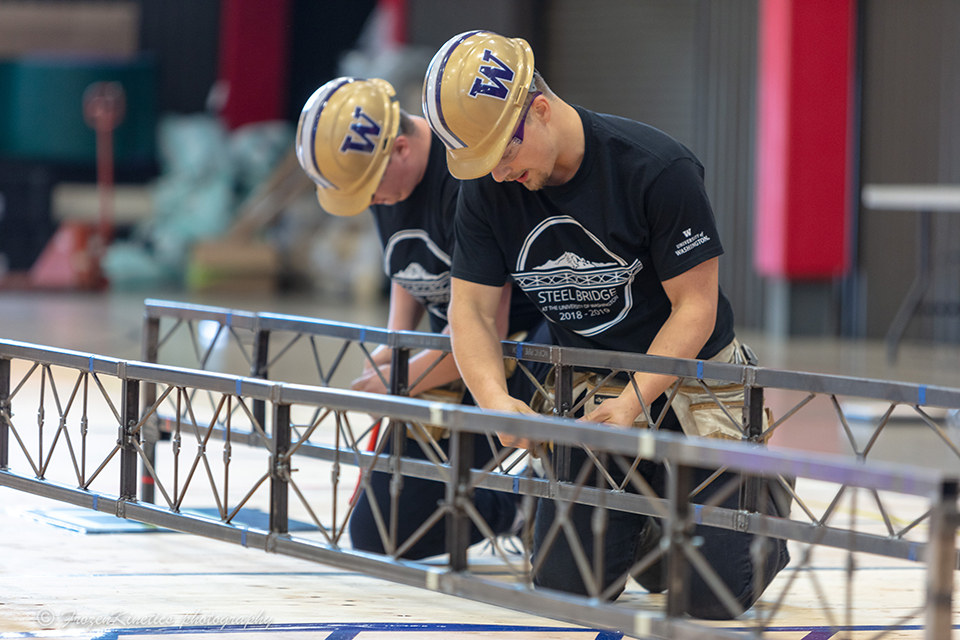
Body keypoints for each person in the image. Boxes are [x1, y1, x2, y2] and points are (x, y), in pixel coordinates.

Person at [421, 31, 790, 618]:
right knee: (567, 594)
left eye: (503, 156)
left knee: (712, 598)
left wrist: (637, 399)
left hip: (689, 379)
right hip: (593, 391)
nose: (496, 175)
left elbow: (694, 306)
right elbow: (468, 310)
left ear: (537, 110)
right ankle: (646, 529)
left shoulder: (656, 168)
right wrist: (492, 399)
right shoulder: (487, 192)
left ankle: (756, 506)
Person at [295, 77, 549, 560]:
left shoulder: (461, 185)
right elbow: (406, 264)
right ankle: (518, 509)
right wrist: (393, 346)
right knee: (383, 532)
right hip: (446, 352)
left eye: (369, 192)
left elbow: (482, 333)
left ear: (402, 149)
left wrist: (399, 382)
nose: (369, 204)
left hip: (513, 354)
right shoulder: (387, 186)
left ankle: (566, 497)